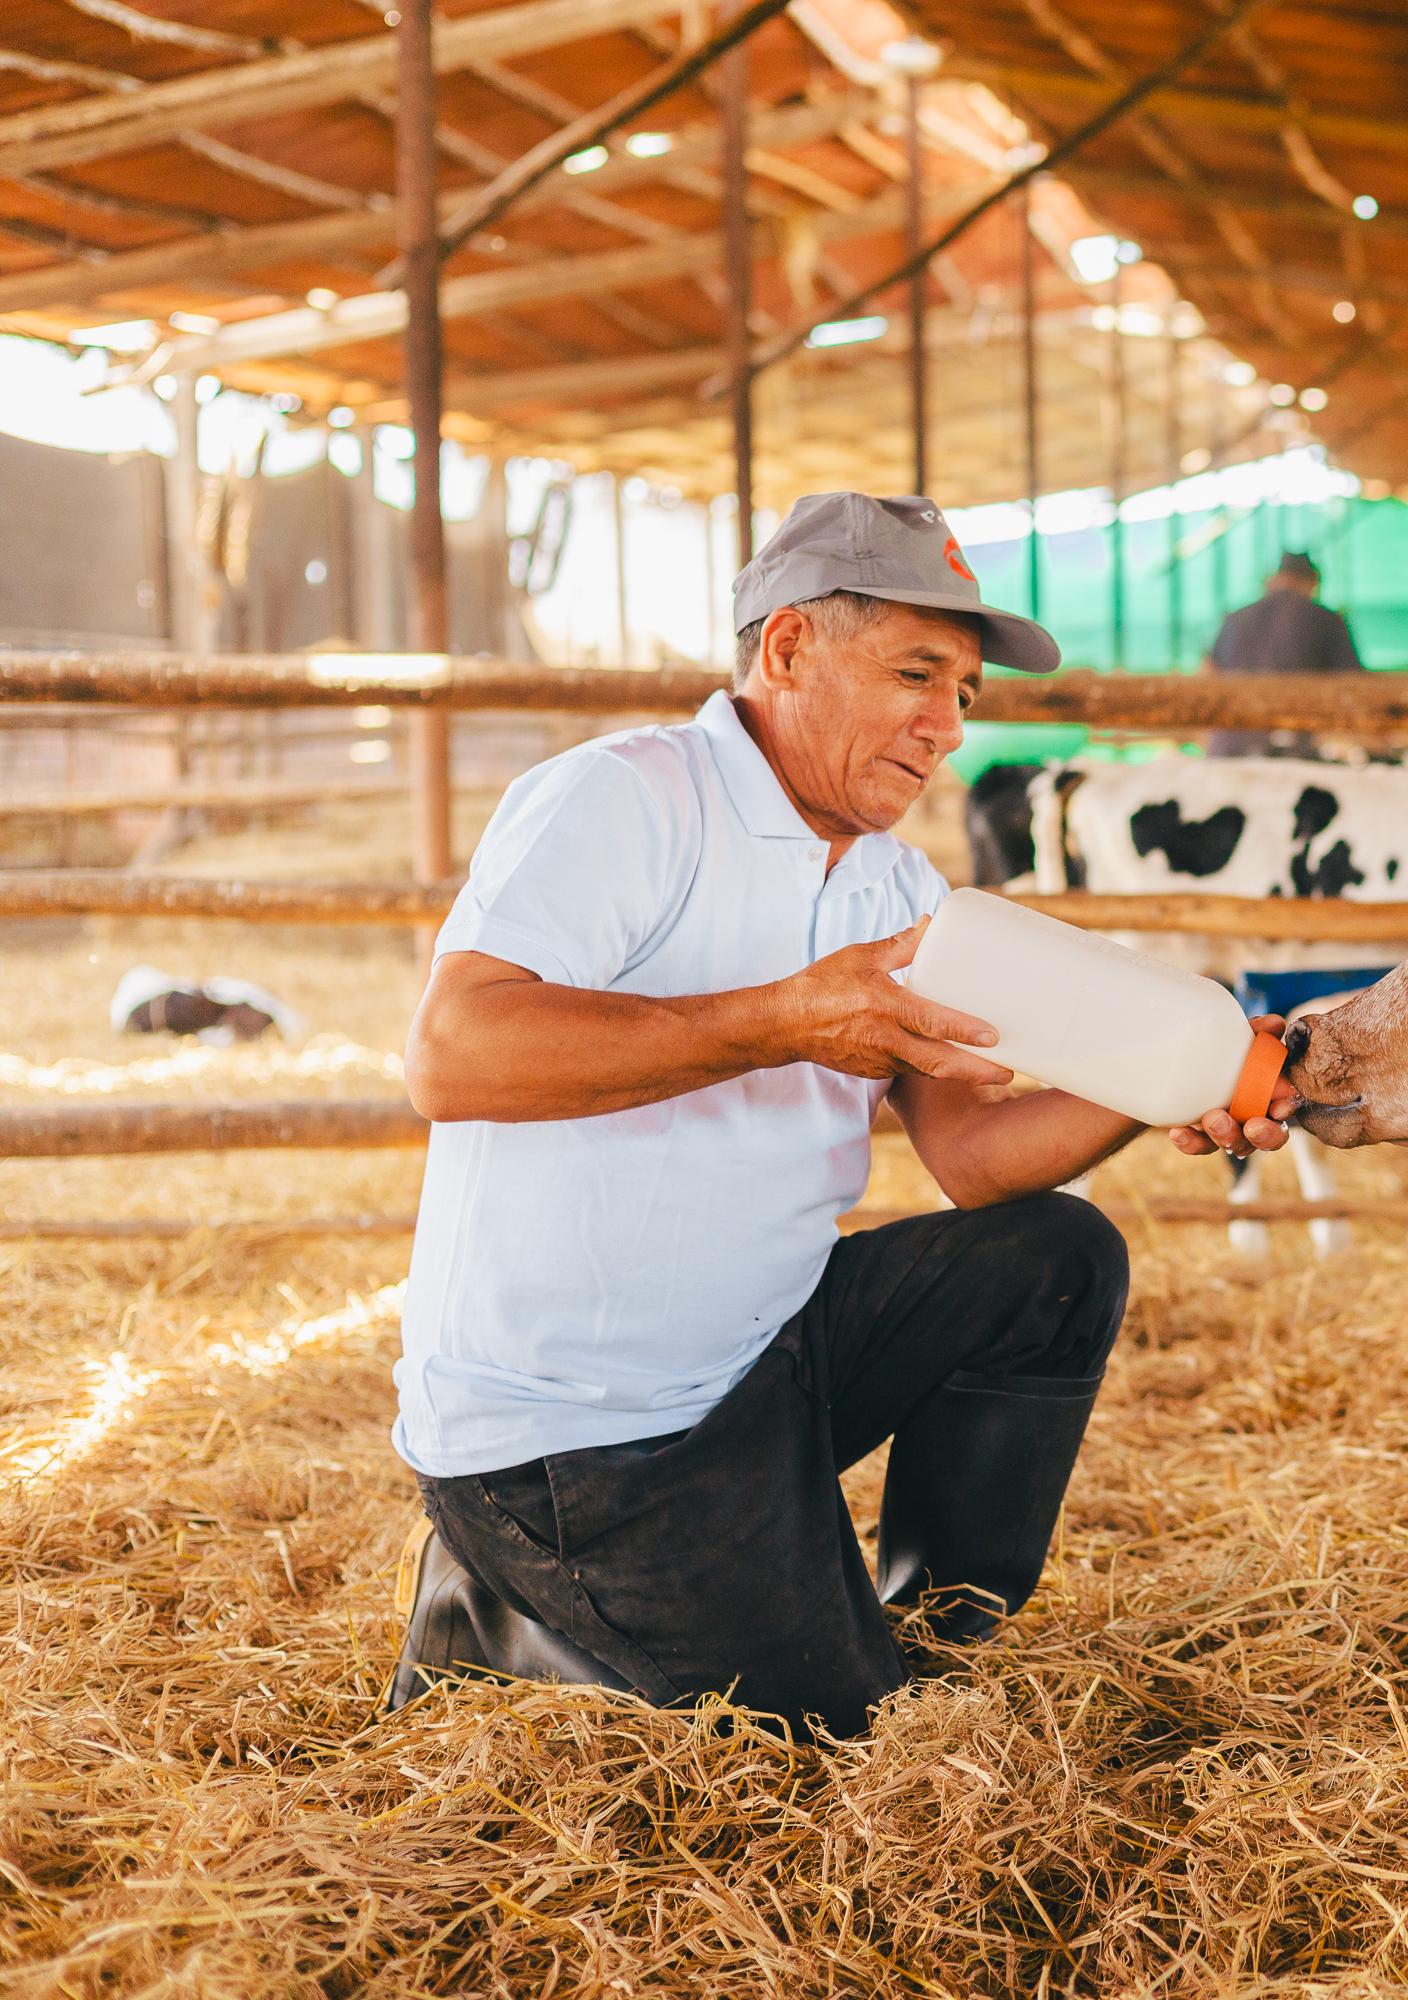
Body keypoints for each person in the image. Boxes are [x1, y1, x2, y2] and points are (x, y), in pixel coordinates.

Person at [385, 491, 1297, 1739]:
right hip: (576, 1437)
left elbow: (974, 1163)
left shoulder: (897, 880)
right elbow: (451, 1055)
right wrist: (785, 1017)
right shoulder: (626, 797)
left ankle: (925, 1625)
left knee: (1057, 1257)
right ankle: (499, 1603)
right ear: (788, 650)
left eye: (967, 692)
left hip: (762, 1363)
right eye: (917, 671)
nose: (946, 728)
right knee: (849, 1745)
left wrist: (1161, 1082)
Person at [1201, 550, 1363, 757]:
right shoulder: (1328, 620)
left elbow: (1206, 674)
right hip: (1296, 752)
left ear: (1276, 578)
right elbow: (1353, 685)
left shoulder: (1234, 618)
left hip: (1229, 751)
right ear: (1311, 583)